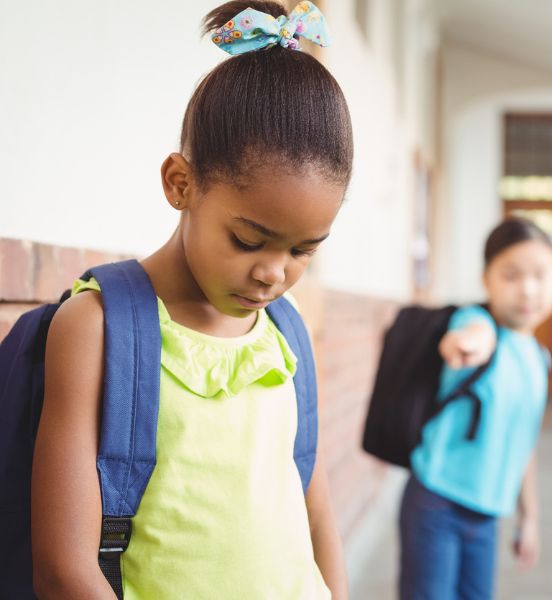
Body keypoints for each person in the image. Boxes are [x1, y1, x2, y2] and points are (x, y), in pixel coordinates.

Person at [30, 2, 352, 598]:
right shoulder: (98, 327)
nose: (272, 275)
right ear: (181, 184)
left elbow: (316, 508)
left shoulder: (285, 328)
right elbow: (62, 568)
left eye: (304, 251)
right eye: (248, 240)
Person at [399, 218, 552, 600]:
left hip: (488, 516)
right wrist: (466, 344)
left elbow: (524, 444)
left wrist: (530, 518)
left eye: (541, 275)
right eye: (511, 275)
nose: (528, 289)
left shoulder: (539, 357)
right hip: (436, 504)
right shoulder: (476, 322)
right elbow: (473, 336)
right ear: (486, 279)